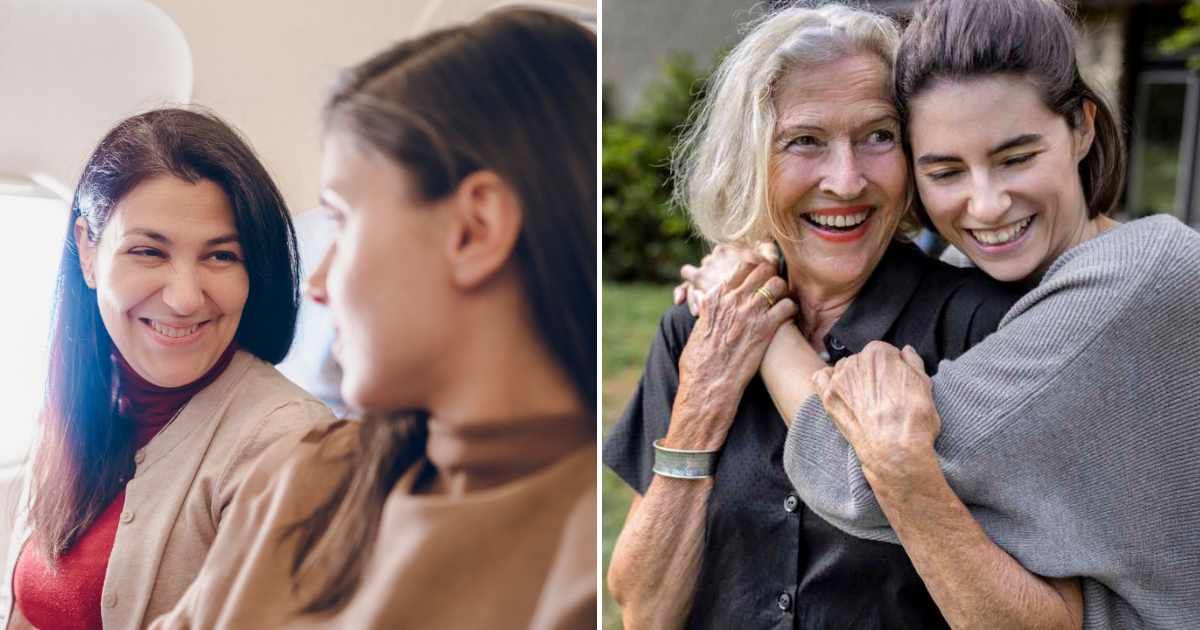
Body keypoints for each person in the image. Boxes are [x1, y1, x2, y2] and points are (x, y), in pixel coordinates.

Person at [728, 0, 1200, 627]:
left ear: (1083, 128)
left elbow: (856, 471)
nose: (986, 204)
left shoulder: (1136, 281)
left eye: (1017, 157)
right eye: (945, 170)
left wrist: (761, 315)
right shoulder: (991, 275)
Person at [149, 8, 596, 629]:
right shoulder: (301, 479)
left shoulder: (580, 573)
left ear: (475, 229)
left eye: (342, 219)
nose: (319, 283)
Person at [602, 4, 1023, 628]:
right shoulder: (697, 329)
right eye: (805, 141)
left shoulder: (983, 329)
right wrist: (702, 404)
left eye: (878, 135)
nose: (847, 181)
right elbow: (644, 609)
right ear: (750, 160)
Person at [0, 109, 335, 630]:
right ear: (89, 250)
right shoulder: (78, 403)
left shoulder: (288, 443)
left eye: (221, 257)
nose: (184, 298)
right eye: (148, 251)